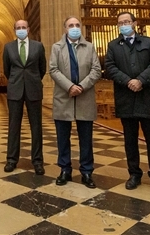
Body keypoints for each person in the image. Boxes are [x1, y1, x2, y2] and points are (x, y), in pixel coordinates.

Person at [105, 11, 150, 195]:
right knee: (130, 140)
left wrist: (140, 80)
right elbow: (110, 66)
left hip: (148, 97)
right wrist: (128, 81)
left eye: (127, 21)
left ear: (134, 23)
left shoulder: (148, 42)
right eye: (120, 22)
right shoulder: (113, 45)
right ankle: (134, 174)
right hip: (126, 98)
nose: (124, 24)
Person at [49, 16, 101, 188]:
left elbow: (96, 69)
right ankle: (65, 169)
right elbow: (53, 69)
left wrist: (81, 86)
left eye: (77, 25)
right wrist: (70, 86)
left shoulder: (90, 47)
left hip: (84, 97)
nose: (74, 27)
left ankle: (86, 171)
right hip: (64, 97)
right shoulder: (57, 47)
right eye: (71, 25)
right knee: (63, 138)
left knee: (86, 138)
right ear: (65, 29)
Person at [2, 19, 46, 174]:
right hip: (15, 89)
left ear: (28, 30)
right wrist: (16, 81)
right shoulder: (8, 47)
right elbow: (7, 70)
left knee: (36, 126)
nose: (21, 29)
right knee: (14, 126)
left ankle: (38, 161)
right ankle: (11, 160)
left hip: (33, 89)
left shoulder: (38, 46)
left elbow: (42, 69)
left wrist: (32, 80)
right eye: (18, 28)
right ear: (15, 30)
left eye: (23, 27)